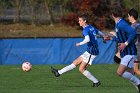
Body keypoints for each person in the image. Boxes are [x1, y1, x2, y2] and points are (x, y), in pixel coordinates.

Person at [51, 14, 104, 87]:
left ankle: (96, 81)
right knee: (75, 62)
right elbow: (99, 32)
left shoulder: (85, 29)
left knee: (81, 69)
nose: (79, 22)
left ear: (84, 21)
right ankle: (59, 72)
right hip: (91, 50)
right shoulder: (91, 27)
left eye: (80, 20)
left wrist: (80, 43)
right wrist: (104, 36)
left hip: (92, 51)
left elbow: (87, 39)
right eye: (79, 20)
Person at [104, 6, 140, 92]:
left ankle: (139, 82)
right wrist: (110, 38)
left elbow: (133, 32)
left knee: (120, 72)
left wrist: (126, 44)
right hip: (126, 53)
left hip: (130, 52)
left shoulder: (121, 24)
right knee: (131, 74)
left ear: (112, 15)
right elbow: (120, 39)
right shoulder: (118, 24)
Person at [128, 8, 140, 75]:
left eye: (128, 16)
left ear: (132, 17)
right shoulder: (138, 25)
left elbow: (129, 38)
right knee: (132, 70)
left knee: (135, 70)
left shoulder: (133, 27)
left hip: (137, 49)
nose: (128, 18)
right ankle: (137, 84)